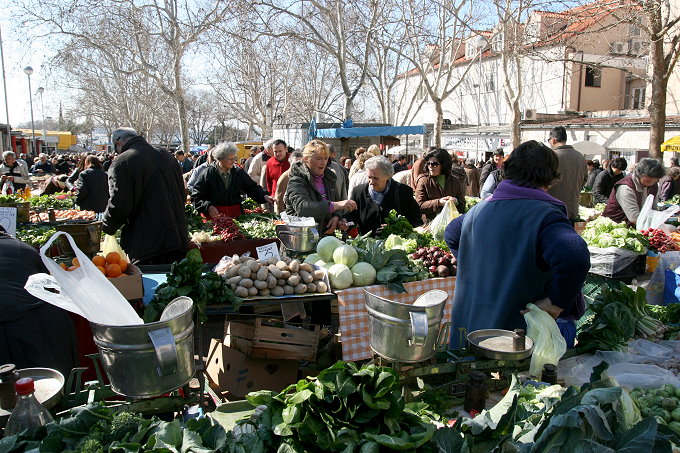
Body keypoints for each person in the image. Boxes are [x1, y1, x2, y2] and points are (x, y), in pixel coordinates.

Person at [445, 140, 590, 348]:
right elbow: (576, 257)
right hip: (515, 339)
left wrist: (477, 269)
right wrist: (555, 302)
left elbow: (452, 233)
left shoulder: (479, 210)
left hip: (471, 330)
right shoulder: (544, 215)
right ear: (549, 178)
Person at [102, 127, 189, 265]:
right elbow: (182, 193)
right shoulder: (166, 156)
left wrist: (107, 226)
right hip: (178, 238)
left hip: (148, 245)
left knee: (150, 284)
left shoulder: (122, 162)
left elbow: (120, 204)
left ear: (118, 143)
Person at [0, 225, 77, 377]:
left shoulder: (22, 249)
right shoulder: (22, 248)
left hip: (26, 320)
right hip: (38, 323)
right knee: (52, 381)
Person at [284, 140, 357, 235]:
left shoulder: (329, 178)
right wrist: (337, 205)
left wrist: (336, 218)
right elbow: (303, 208)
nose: (323, 162)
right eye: (319, 159)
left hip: (325, 238)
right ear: (306, 159)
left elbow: (336, 202)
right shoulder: (296, 180)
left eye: (326, 158)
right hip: (302, 239)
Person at [192, 142, 273, 219]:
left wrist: (264, 196)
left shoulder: (238, 172)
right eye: (230, 159)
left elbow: (252, 188)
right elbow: (197, 195)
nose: (233, 161)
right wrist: (208, 206)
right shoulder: (207, 173)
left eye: (234, 158)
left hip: (234, 215)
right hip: (213, 216)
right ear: (220, 158)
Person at [347, 156, 422, 235]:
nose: (371, 182)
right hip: (366, 245)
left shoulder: (403, 192)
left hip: (396, 244)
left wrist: (395, 228)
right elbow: (351, 217)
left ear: (388, 176)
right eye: (369, 177)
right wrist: (346, 222)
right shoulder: (358, 192)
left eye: (375, 178)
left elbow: (416, 219)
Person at [602, 157, 665, 226]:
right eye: (648, 180)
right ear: (640, 174)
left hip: (639, 227)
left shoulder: (653, 185)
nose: (652, 182)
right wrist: (659, 226)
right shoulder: (626, 187)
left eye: (655, 180)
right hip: (617, 226)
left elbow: (653, 208)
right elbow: (634, 217)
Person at [546, 127, 588, 222]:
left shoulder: (551, 156)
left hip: (552, 210)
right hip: (572, 209)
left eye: (549, 140)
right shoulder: (580, 157)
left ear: (553, 140)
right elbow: (584, 179)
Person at [415, 148, 466, 219]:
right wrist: (438, 202)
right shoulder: (423, 180)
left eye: (434, 164)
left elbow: (462, 204)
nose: (430, 166)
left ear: (444, 165)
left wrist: (456, 201)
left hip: (449, 223)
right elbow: (419, 205)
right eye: (428, 163)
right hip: (429, 225)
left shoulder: (455, 181)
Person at [263, 139, 291, 207]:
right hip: (276, 200)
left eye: (280, 151)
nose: (278, 154)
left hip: (291, 200)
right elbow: (269, 181)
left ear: (286, 149)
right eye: (275, 151)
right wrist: (271, 195)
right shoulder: (270, 162)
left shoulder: (292, 161)